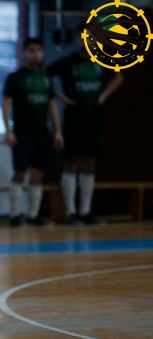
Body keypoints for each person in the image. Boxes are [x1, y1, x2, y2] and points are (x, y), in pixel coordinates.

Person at [47, 25, 123, 225]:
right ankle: (70, 212)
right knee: (71, 161)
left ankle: (85, 211)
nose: (85, 41)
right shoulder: (67, 62)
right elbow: (44, 76)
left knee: (90, 161)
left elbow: (118, 77)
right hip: (74, 116)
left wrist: (103, 96)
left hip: (93, 116)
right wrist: (61, 97)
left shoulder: (102, 60)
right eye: (81, 38)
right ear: (75, 39)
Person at [2, 37, 64, 227]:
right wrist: (8, 130)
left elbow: (51, 104)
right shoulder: (15, 77)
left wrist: (58, 131)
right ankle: (14, 216)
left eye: (39, 50)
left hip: (42, 132)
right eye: (31, 50)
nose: (35, 54)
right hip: (22, 132)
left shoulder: (46, 77)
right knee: (20, 172)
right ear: (24, 53)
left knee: (38, 174)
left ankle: (33, 215)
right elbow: (6, 103)